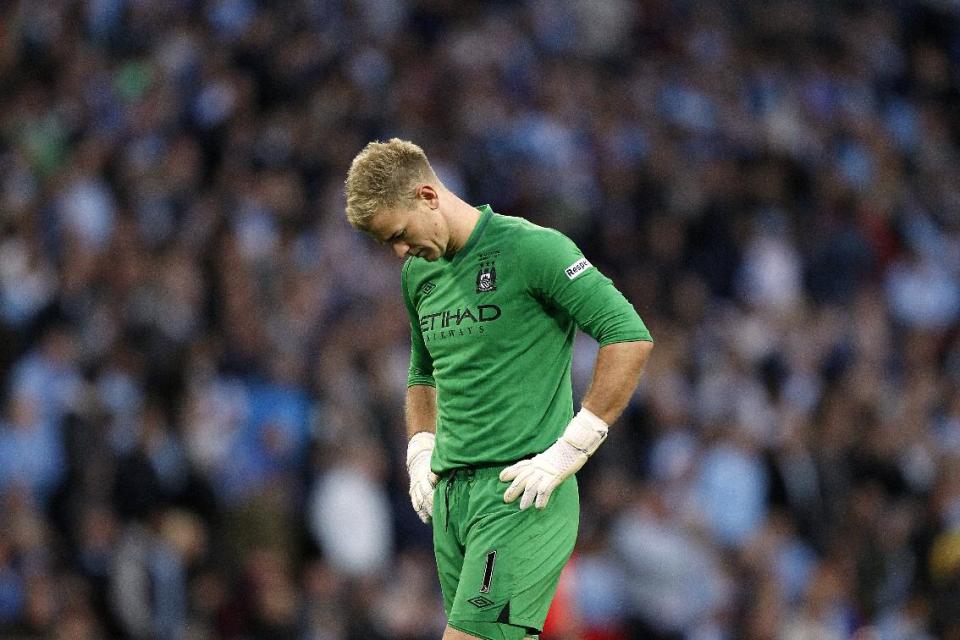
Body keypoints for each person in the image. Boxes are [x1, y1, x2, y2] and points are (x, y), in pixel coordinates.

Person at [344, 139, 654, 640]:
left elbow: (628, 336)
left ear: (427, 195)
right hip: (452, 503)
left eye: (399, 234)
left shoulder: (533, 248)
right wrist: (420, 449)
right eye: (388, 244)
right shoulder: (418, 274)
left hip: (521, 493)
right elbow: (423, 374)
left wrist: (571, 448)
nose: (400, 251)